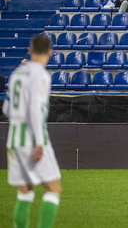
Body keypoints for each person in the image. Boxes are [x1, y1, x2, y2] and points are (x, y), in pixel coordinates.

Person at [4, 34, 63, 228]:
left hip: (14, 138)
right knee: (53, 189)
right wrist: (39, 140)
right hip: (32, 139)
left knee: (25, 193)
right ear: (50, 52)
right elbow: (35, 110)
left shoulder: (17, 73)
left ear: (30, 51)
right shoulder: (41, 75)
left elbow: (6, 108)